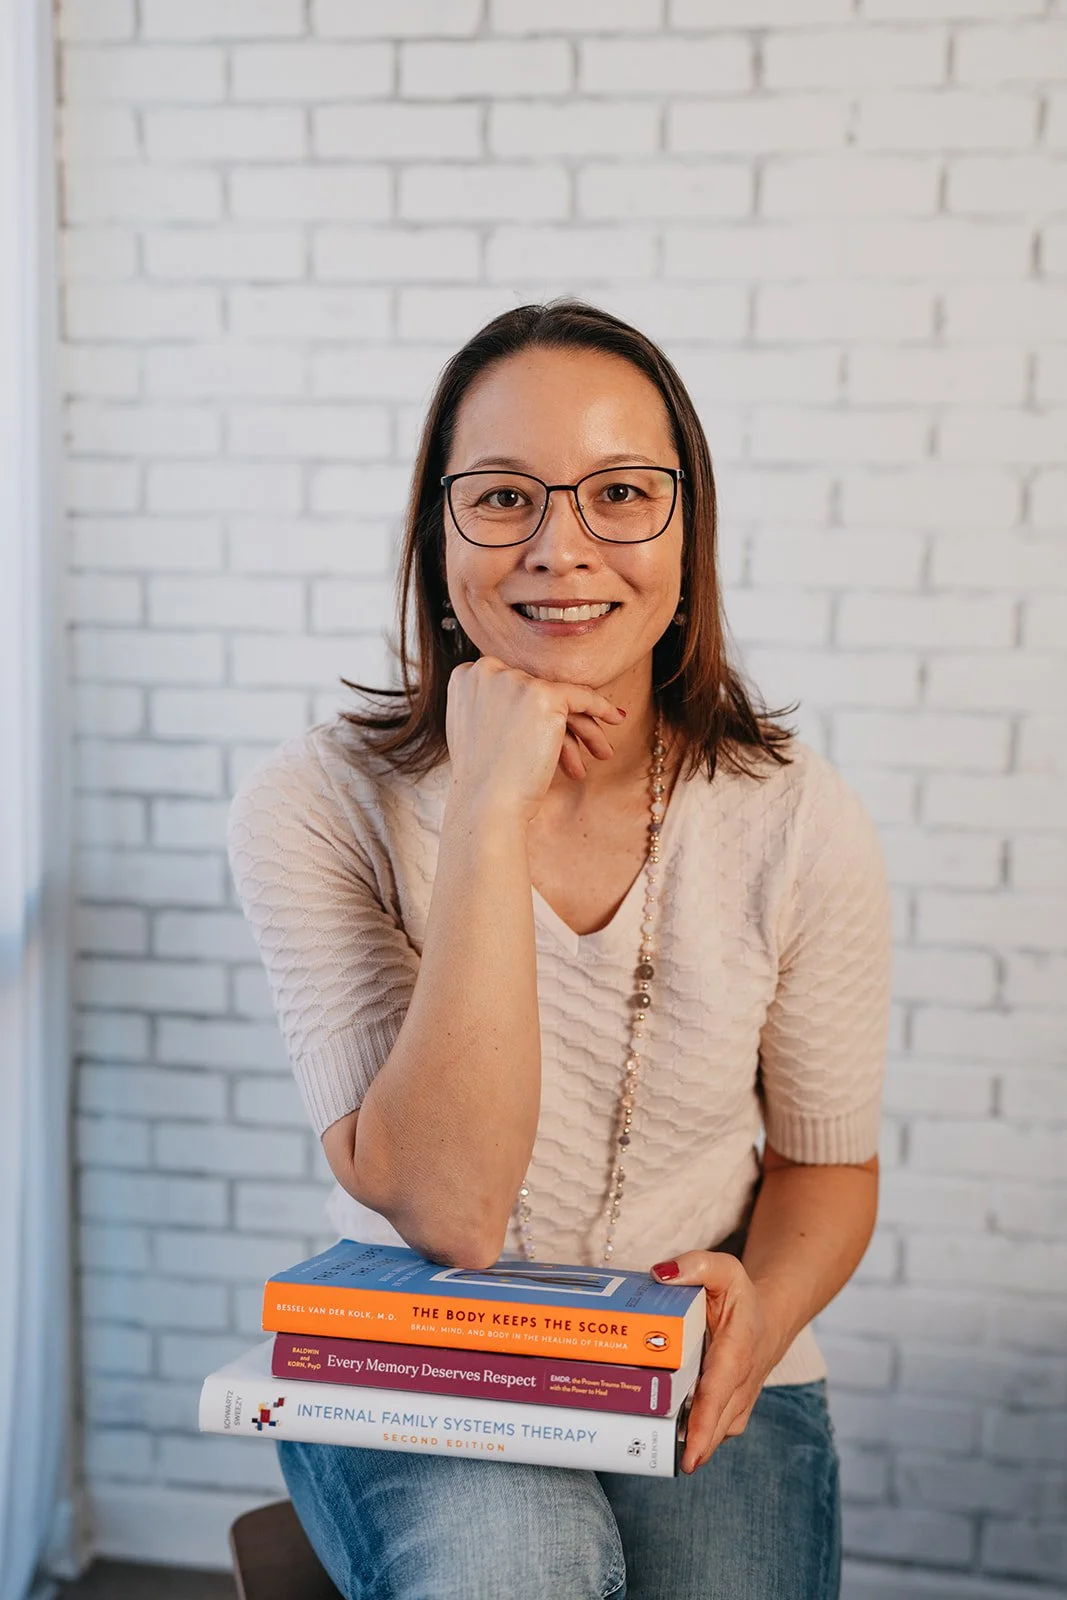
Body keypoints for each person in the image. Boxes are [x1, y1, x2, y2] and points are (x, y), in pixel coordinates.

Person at [228, 300, 891, 1600]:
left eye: (619, 494)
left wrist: (757, 1315)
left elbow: (828, 1168)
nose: (559, 548)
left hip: (698, 1344)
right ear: (437, 532)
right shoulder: (309, 806)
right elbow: (449, 1211)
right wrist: (485, 809)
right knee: (518, 1574)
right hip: (414, 1338)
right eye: (501, 500)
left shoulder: (794, 817)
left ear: (685, 530)